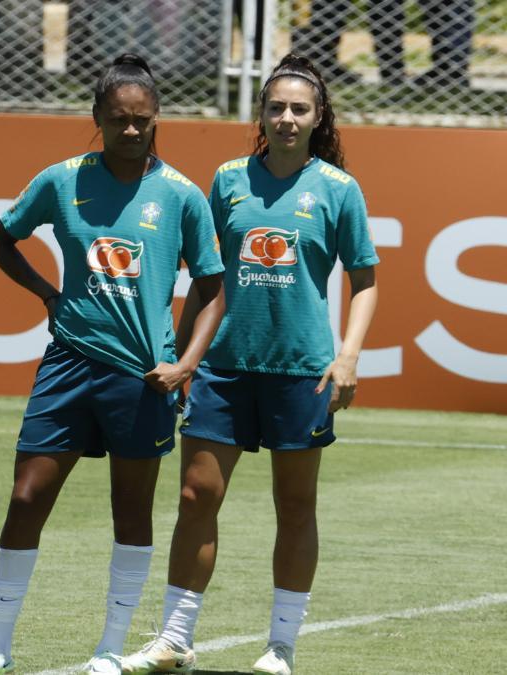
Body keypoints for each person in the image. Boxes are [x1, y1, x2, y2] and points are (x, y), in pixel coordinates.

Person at [0, 53, 226, 675]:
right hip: (68, 363)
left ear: (157, 120)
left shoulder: (181, 194)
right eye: (118, 120)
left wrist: (186, 364)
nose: (131, 131)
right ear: (96, 118)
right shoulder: (62, 178)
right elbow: (0, 241)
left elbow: (213, 288)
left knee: (131, 510)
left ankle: (109, 649)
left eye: (142, 121)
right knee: (26, 496)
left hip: (142, 376)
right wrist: (49, 295)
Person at [120, 53, 378, 675]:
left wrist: (347, 356)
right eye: (276, 108)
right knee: (194, 495)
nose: (287, 119)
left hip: (303, 371)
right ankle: (175, 640)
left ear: (319, 118)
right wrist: (183, 359)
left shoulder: (339, 189)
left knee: (295, 507)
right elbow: (208, 280)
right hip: (223, 368)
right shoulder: (229, 179)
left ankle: (281, 647)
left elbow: (366, 281)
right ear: (260, 114)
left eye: (299, 109)